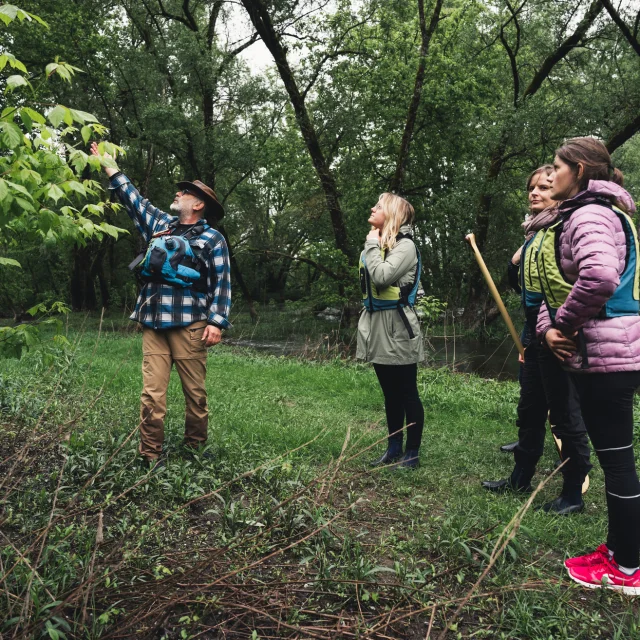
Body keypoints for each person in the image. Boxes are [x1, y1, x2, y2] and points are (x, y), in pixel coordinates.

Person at [536, 137, 640, 593]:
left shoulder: (590, 214)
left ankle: (628, 568)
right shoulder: (593, 212)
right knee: (615, 458)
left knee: (617, 464)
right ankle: (620, 550)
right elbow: (559, 283)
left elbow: (599, 276)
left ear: (578, 170)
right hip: (607, 353)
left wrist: (565, 324)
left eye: (556, 168)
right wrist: (548, 328)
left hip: (609, 355)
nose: (548, 176)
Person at [90, 142, 232, 468]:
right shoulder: (161, 226)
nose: (178, 194)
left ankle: (194, 450)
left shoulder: (213, 240)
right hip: (153, 322)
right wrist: (108, 165)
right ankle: (149, 454)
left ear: (198, 204)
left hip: (190, 324)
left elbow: (221, 283)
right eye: (181, 191)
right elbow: (132, 199)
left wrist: (216, 321)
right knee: (152, 394)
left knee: (195, 396)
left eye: (185, 192)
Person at [482, 166, 592, 515]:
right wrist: (515, 263)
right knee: (529, 410)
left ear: (560, 189)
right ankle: (520, 477)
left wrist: (559, 328)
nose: (535, 193)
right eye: (531, 188)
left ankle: (572, 494)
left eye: (544, 187)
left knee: (563, 414)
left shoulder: (564, 227)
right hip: (534, 333)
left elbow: (570, 286)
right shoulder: (534, 233)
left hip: (559, 332)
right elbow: (523, 287)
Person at [357, 193, 425, 469]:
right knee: (389, 393)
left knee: (407, 391)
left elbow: (383, 276)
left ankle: (413, 452)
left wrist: (371, 245)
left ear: (393, 215)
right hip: (376, 324)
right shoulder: (379, 243)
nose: (372, 208)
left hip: (398, 327)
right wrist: (374, 244)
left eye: (379, 206)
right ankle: (393, 447)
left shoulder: (406, 246)